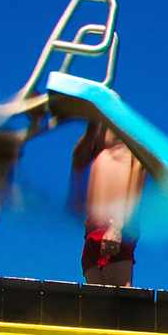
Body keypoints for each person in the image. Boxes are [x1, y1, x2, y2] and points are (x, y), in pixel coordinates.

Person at [72, 120, 146, 286]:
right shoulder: (97, 142)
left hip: (115, 223)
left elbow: (137, 185)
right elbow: (78, 162)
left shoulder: (131, 144)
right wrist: (92, 123)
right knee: (97, 304)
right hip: (92, 228)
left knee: (119, 300)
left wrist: (118, 227)